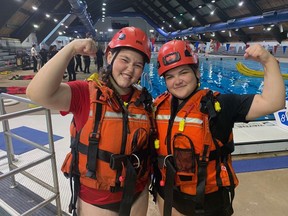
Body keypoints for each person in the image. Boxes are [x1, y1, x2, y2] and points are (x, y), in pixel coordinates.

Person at [26, 26, 155, 216]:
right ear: (110, 57)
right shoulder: (85, 93)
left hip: (137, 195)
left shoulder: (144, 101)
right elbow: (36, 93)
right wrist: (71, 48)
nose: (130, 69)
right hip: (97, 202)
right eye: (125, 60)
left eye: (138, 65)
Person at [151, 40, 285, 216]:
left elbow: (273, 102)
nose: (177, 81)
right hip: (168, 196)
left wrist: (268, 61)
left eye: (183, 72)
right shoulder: (158, 106)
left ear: (197, 73)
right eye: (170, 76)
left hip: (207, 204)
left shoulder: (220, 106)